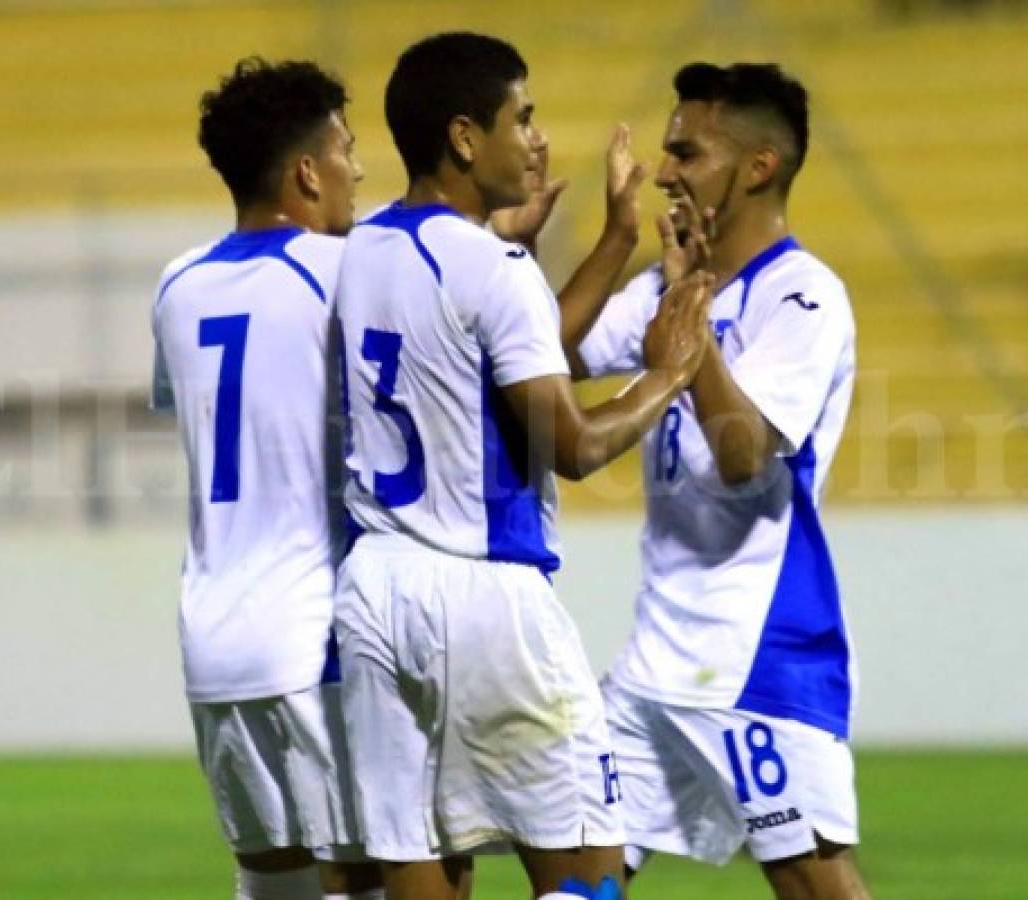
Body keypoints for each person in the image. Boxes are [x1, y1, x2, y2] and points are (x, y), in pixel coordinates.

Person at [333, 31, 713, 900]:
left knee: (415, 863)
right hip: (484, 597)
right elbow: (570, 445)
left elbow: (504, 343)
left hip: (374, 587)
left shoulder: (364, 248)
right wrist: (668, 372)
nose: (537, 140)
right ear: (466, 138)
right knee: (589, 877)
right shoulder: (492, 266)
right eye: (523, 117)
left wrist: (615, 238)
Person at [570, 62, 871, 899]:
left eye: (686, 153)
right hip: (654, 655)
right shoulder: (660, 288)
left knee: (812, 882)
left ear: (758, 167)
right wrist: (600, 245)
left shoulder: (802, 298)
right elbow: (542, 357)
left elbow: (742, 456)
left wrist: (686, 318)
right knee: (578, 866)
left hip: (753, 652)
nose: (663, 171)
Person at [150, 57, 381, 900]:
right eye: (348, 150)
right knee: (378, 877)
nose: (357, 171)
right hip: (312, 632)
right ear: (307, 171)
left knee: (273, 885)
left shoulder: (177, 285)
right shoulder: (342, 273)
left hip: (212, 639)